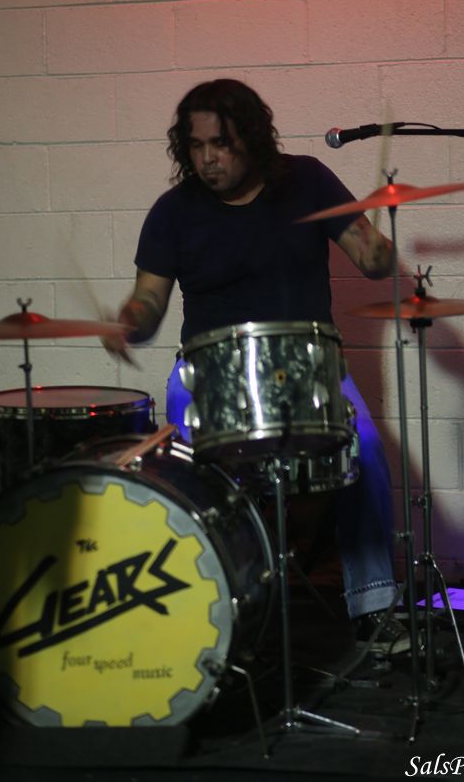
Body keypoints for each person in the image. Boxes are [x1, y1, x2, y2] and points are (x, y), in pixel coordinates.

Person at [104, 79, 408, 655]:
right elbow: (148, 301)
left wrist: (380, 250)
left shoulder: (308, 181)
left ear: (251, 138)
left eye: (220, 144)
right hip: (208, 372)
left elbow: (369, 255)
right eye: (196, 146)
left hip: (308, 366)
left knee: (365, 451)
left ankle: (373, 607)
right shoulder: (173, 212)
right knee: (185, 472)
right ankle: (204, 614)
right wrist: (130, 320)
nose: (207, 159)